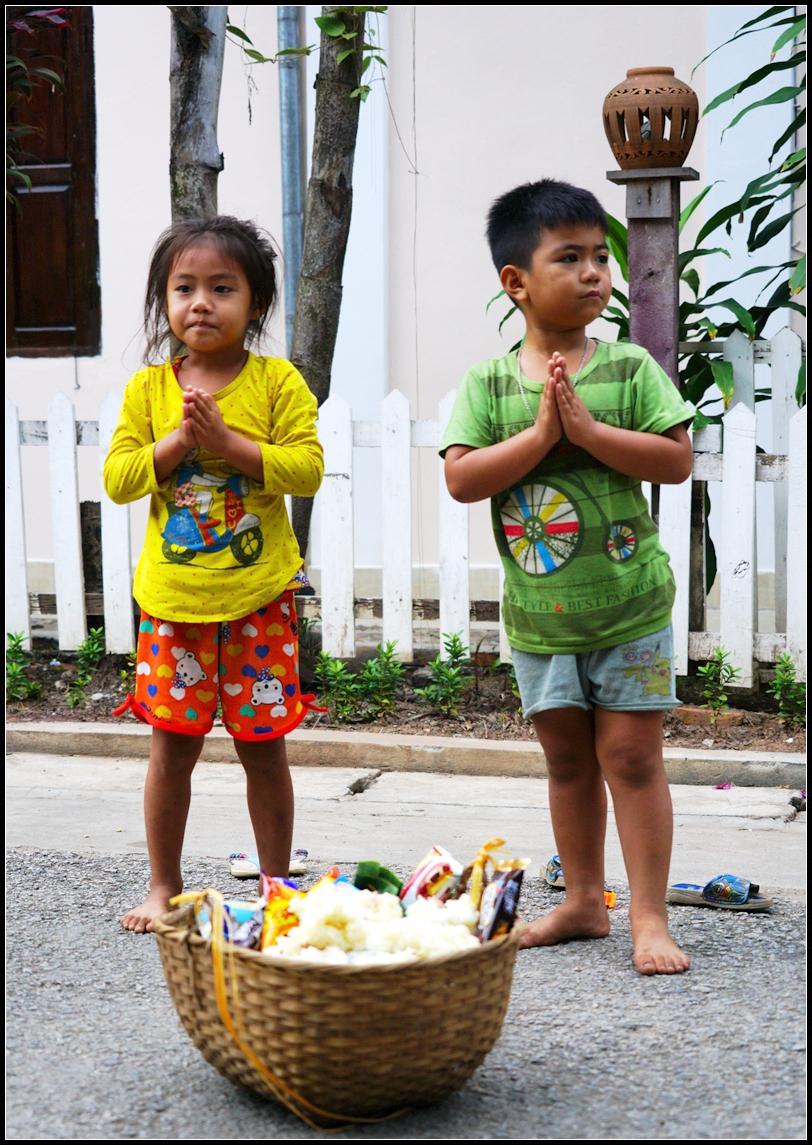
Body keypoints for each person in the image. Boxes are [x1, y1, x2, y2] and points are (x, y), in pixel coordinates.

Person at [441, 180, 694, 975]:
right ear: (516, 281)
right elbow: (462, 477)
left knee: (631, 758)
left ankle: (646, 916)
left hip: (629, 605)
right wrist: (545, 434)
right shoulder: (488, 386)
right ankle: (586, 899)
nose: (594, 272)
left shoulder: (626, 369)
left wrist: (590, 429)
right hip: (543, 615)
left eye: (599, 257)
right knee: (566, 760)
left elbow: (676, 458)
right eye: (570, 257)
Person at [105, 216, 323, 933]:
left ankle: (275, 890)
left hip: (259, 600)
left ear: (253, 305)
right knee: (172, 751)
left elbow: (306, 467)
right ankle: (162, 885)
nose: (202, 302)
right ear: (164, 302)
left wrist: (230, 442)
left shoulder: (275, 381)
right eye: (185, 288)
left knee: (264, 751)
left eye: (222, 288)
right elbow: (120, 479)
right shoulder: (147, 392)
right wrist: (177, 443)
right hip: (175, 606)